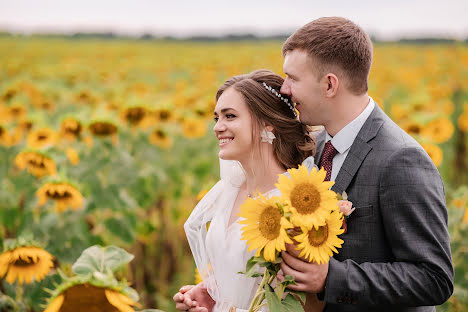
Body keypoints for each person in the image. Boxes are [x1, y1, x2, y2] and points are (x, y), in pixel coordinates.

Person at [277, 17, 454, 311]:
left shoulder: (401, 159)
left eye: (293, 78)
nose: (284, 89)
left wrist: (332, 278)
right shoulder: (316, 146)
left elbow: (434, 278)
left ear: (330, 84)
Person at [173, 69, 321, 312]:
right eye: (216, 118)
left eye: (230, 116)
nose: (218, 127)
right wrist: (210, 294)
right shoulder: (228, 189)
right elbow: (238, 273)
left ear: (268, 123)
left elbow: (307, 306)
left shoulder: (295, 204)